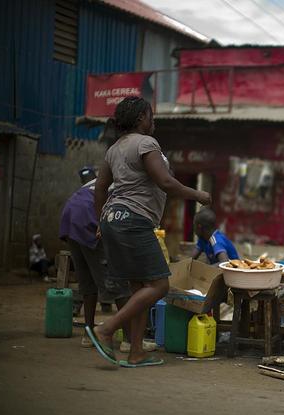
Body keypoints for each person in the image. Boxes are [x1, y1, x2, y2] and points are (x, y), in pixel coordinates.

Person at [88, 96, 211, 368]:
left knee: (139, 289)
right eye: (150, 115)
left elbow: (99, 189)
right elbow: (166, 182)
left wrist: (100, 221)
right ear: (141, 118)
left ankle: (136, 352)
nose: (153, 120)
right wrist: (198, 195)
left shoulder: (114, 149)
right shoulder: (146, 143)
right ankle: (106, 329)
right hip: (134, 220)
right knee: (158, 285)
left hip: (113, 219)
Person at [60, 169, 155, 352]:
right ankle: (129, 340)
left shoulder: (113, 178)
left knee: (88, 282)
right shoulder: (134, 186)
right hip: (89, 218)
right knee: (117, 283)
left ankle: (88, 334)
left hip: (71, 215)